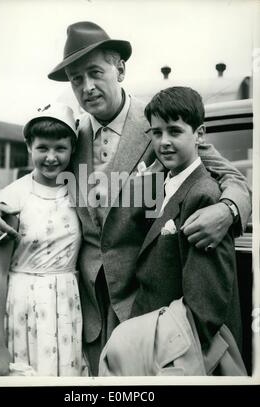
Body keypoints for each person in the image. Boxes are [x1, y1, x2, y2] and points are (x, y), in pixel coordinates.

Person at [0, 22, 251, 375]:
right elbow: (35, 179)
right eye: (76, 79)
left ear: (120, 69)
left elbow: (232, 177)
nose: (86, 87)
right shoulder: (72, 134)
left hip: (148, 305)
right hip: (83, 307)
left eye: (95, 73)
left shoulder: (158, 123)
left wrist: (227, 210)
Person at [98, 87, 246, 376]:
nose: (164, 142)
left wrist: (159, 358)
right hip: (157, 339)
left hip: (177, 356)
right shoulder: (164, 182)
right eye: (156, 133)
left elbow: (204, 310)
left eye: (175, 131)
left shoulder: (203, 196)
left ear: (200, 134)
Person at [0, 105, 88, 376]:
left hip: (66, 309)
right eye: (42, 148)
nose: (51, 157)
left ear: (72, 148)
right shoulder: (12, 199)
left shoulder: (78, 192)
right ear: (28, 146)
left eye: (60, 148)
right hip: (20, 309)